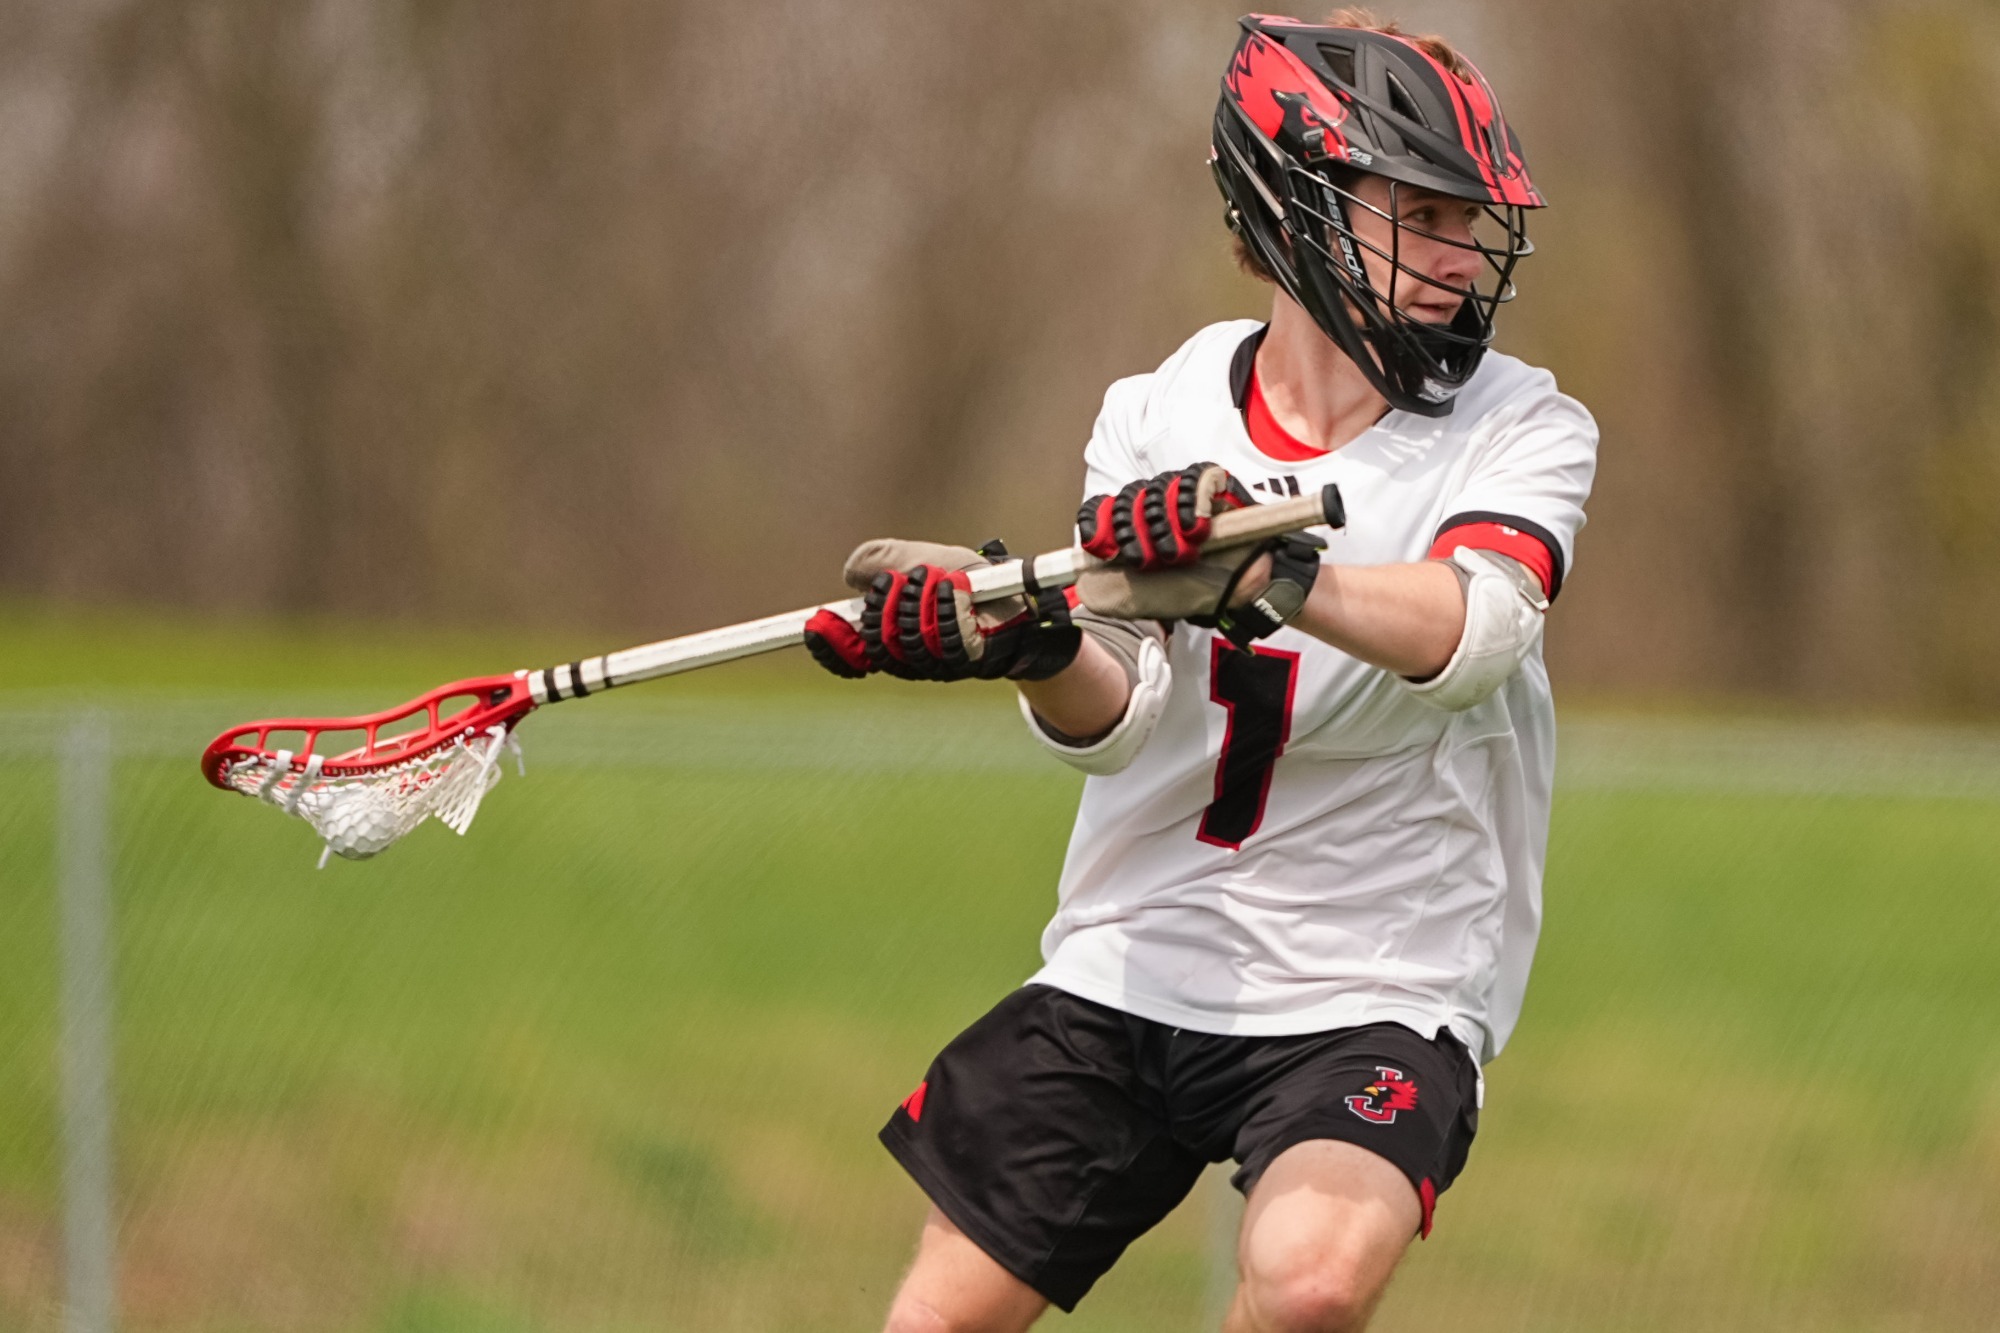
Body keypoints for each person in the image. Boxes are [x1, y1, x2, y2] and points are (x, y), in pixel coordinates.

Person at [804, 11, 1597, 1331]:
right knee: (936, 1319)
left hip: (1380, 978)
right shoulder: (1157, 413)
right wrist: (1030, 645)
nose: (1464, 262)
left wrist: (1274, 574)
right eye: (1425, 216)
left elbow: (1475, 634)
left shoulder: (1522, 423)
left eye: (1474, 224)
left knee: (1307, 1280)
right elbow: (1118, 714)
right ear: (1300, 208)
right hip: (1138, 952)